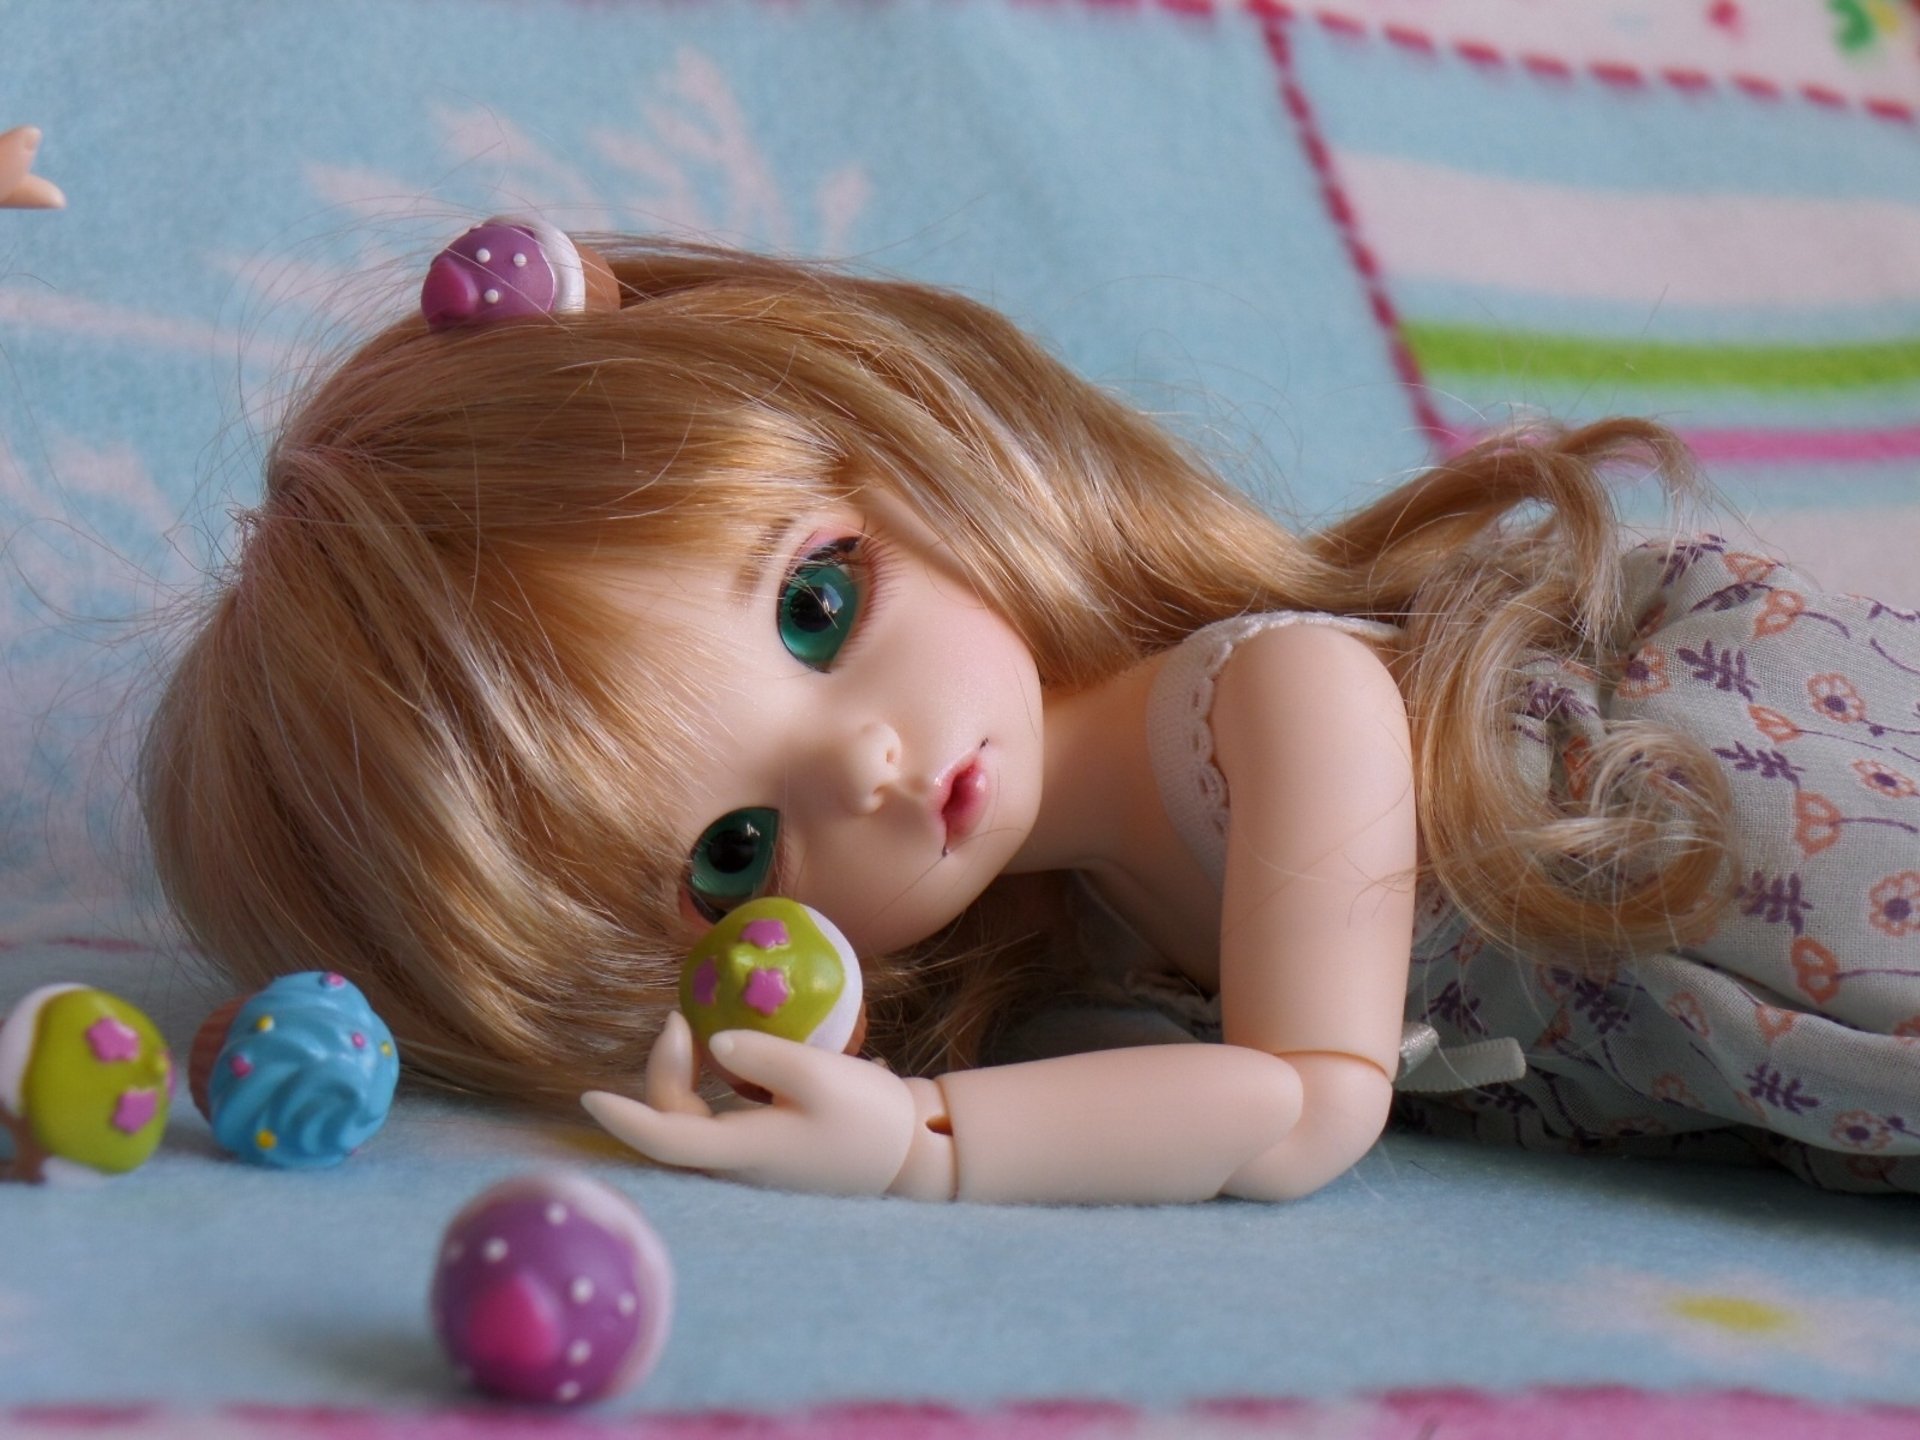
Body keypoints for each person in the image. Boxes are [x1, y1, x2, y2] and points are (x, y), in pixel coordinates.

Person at [142, 220, 1920, 1204]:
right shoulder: (1086, 962)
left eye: (819, 604)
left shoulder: (1276, 697)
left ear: (896, 434)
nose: (868, 766)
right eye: (735, 853)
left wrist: (919, 1152)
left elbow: (1305, 1106)